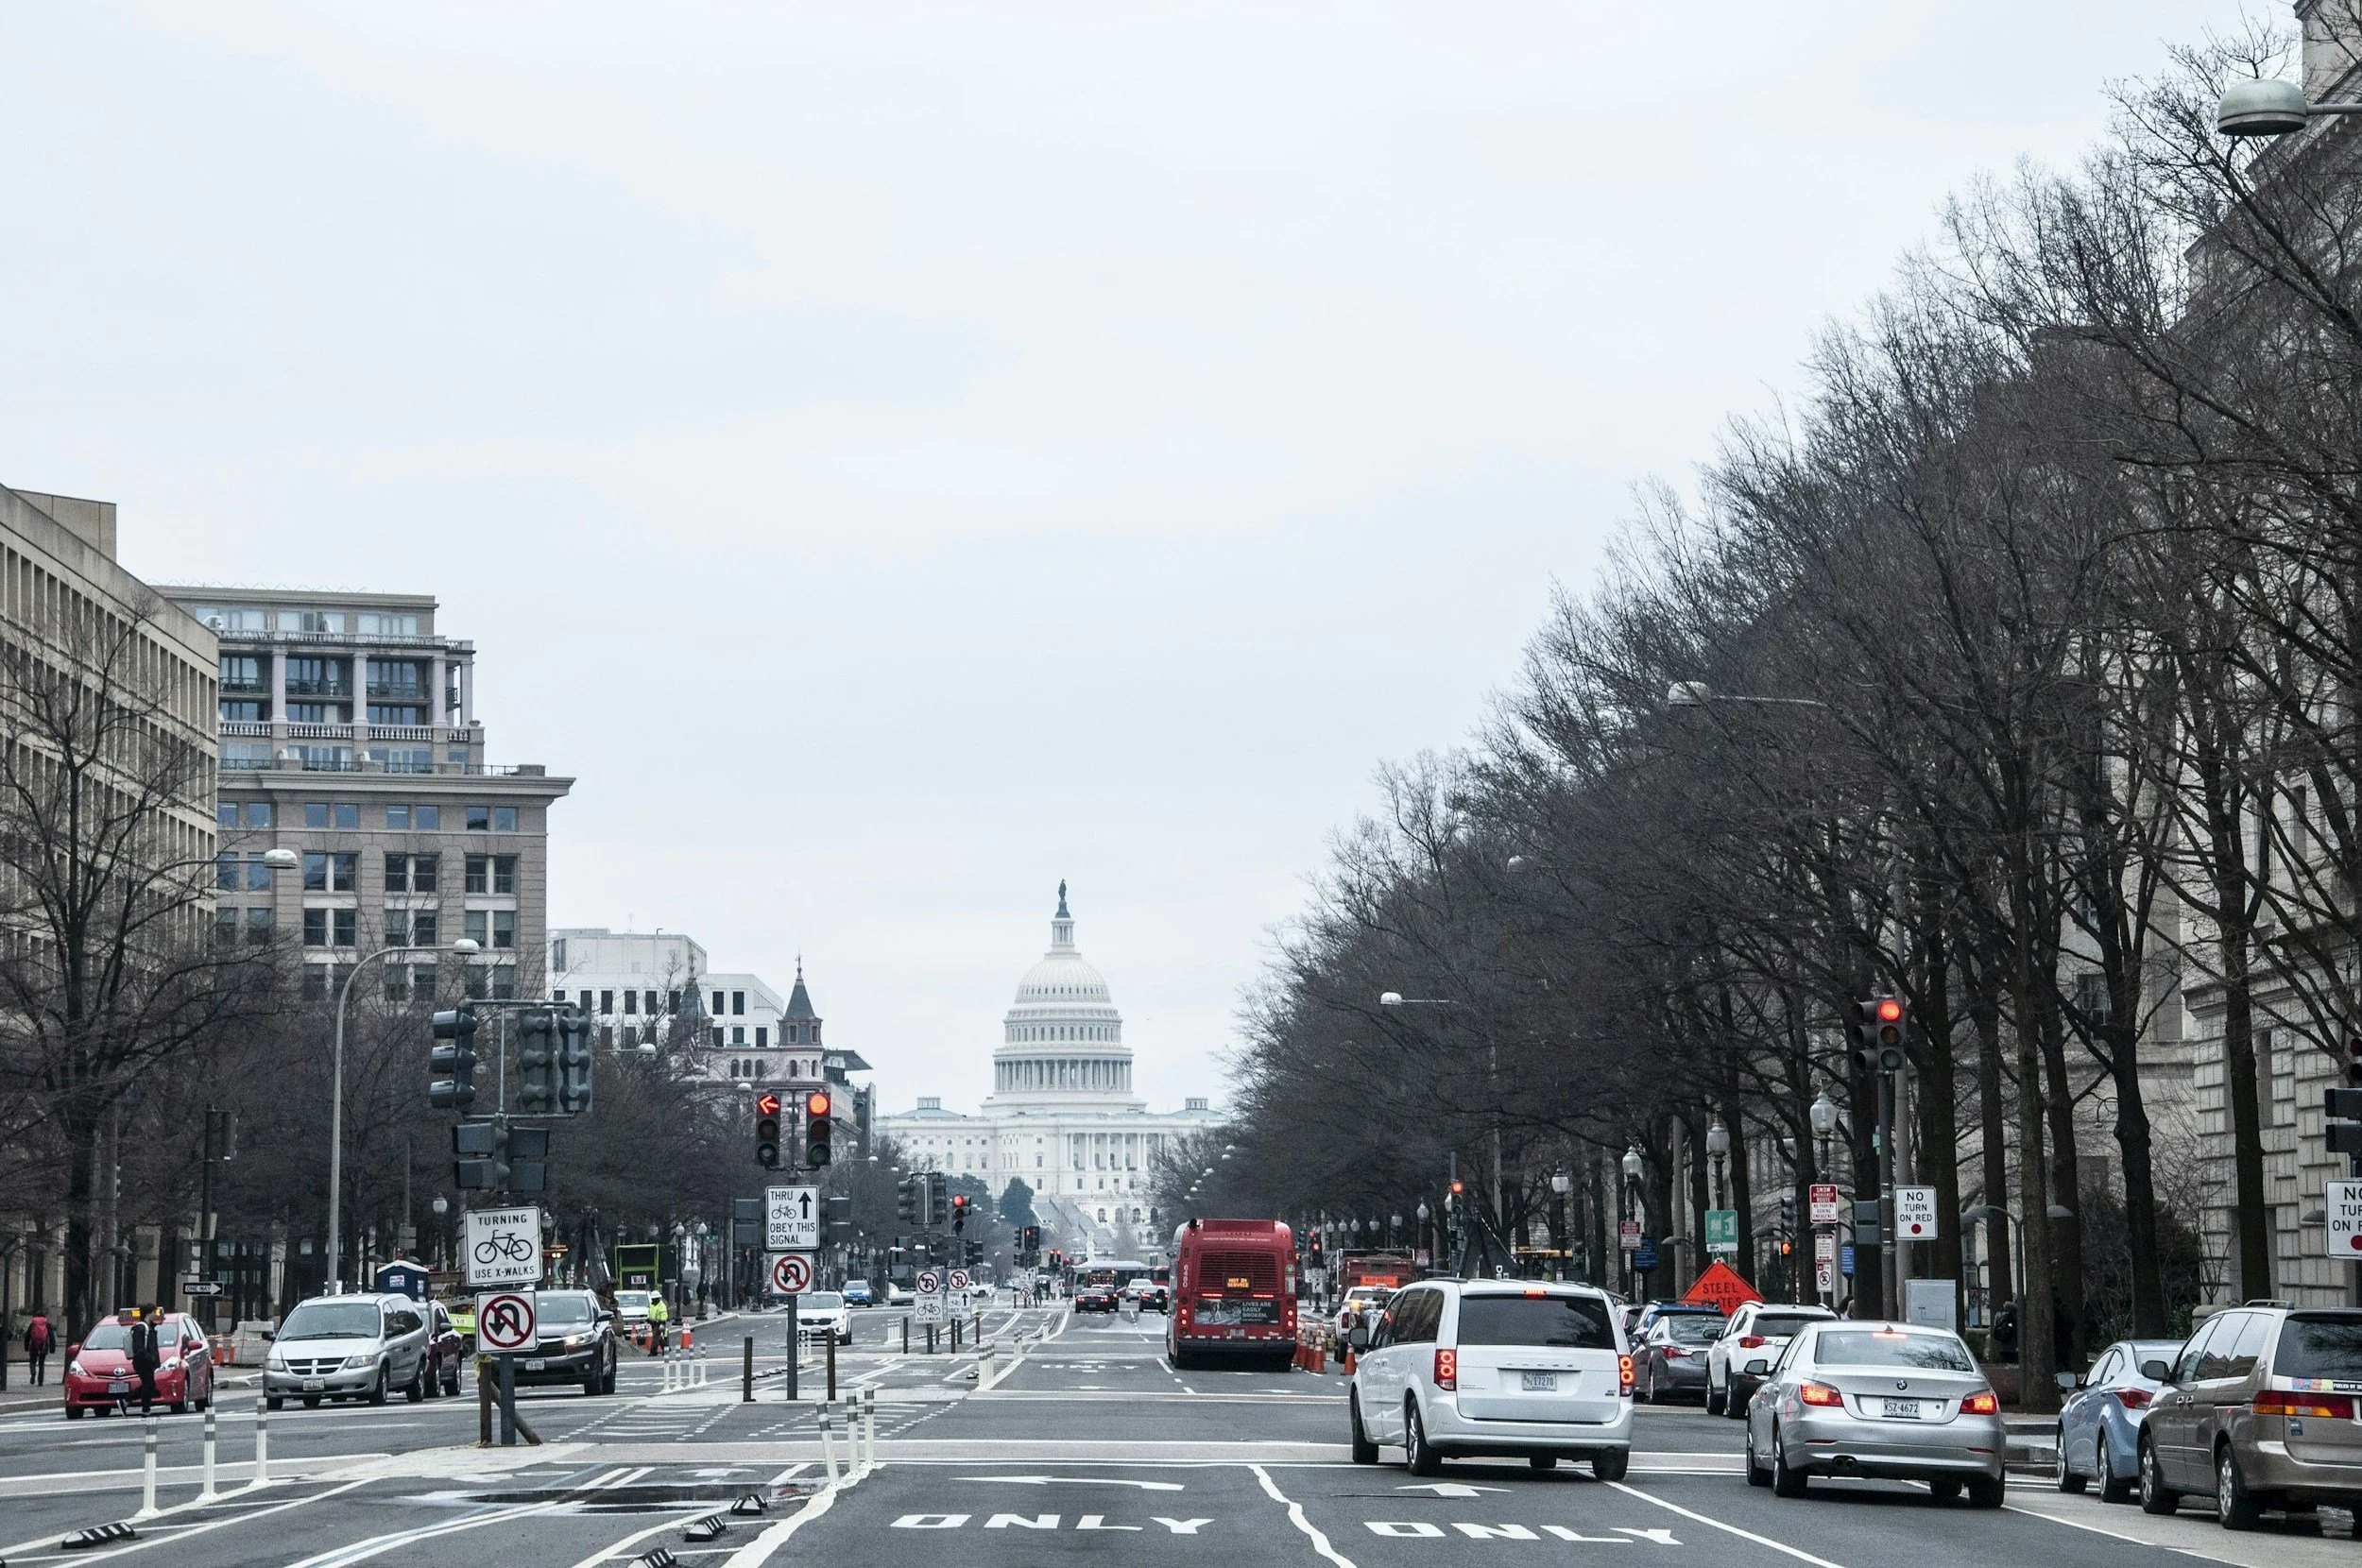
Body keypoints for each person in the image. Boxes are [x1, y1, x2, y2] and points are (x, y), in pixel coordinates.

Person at [128, 1306, 163, 1415]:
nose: (155, 1314)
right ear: (148, 1313)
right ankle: (144, 1409)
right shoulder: (140, 1328)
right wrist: (148, 1358)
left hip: (147, 1361)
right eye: (153, 1312)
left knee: (149, 1385)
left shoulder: (149, 1327)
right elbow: (139, 1348)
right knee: (149, 1385)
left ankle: (128, 1401)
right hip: (142, 1362)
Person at [24, 1312, 55, 1385]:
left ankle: (33, 1373)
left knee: (32, 1361)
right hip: (43, 1346)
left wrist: (26, 1347)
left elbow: (27, 1336)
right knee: (41, 1364)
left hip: (33, 1346)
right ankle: (40, 1381)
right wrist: (52, 1349)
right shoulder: (48, 1325)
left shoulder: (33, 1324)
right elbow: (52, 1337)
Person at [646, 1289, 670, 1355]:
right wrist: (648, 1320)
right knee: (658, 1338)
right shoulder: (652, 1305)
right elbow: (650, 1313)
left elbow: (663, 1314)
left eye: (654, 1299)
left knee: (655, 1338)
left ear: (657, 1298)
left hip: (659, 1323)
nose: (653, 1300)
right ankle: (666, 1348)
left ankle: (653, 1351)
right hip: (653, 1323)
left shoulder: (661, 1305)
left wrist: (662, 1323)